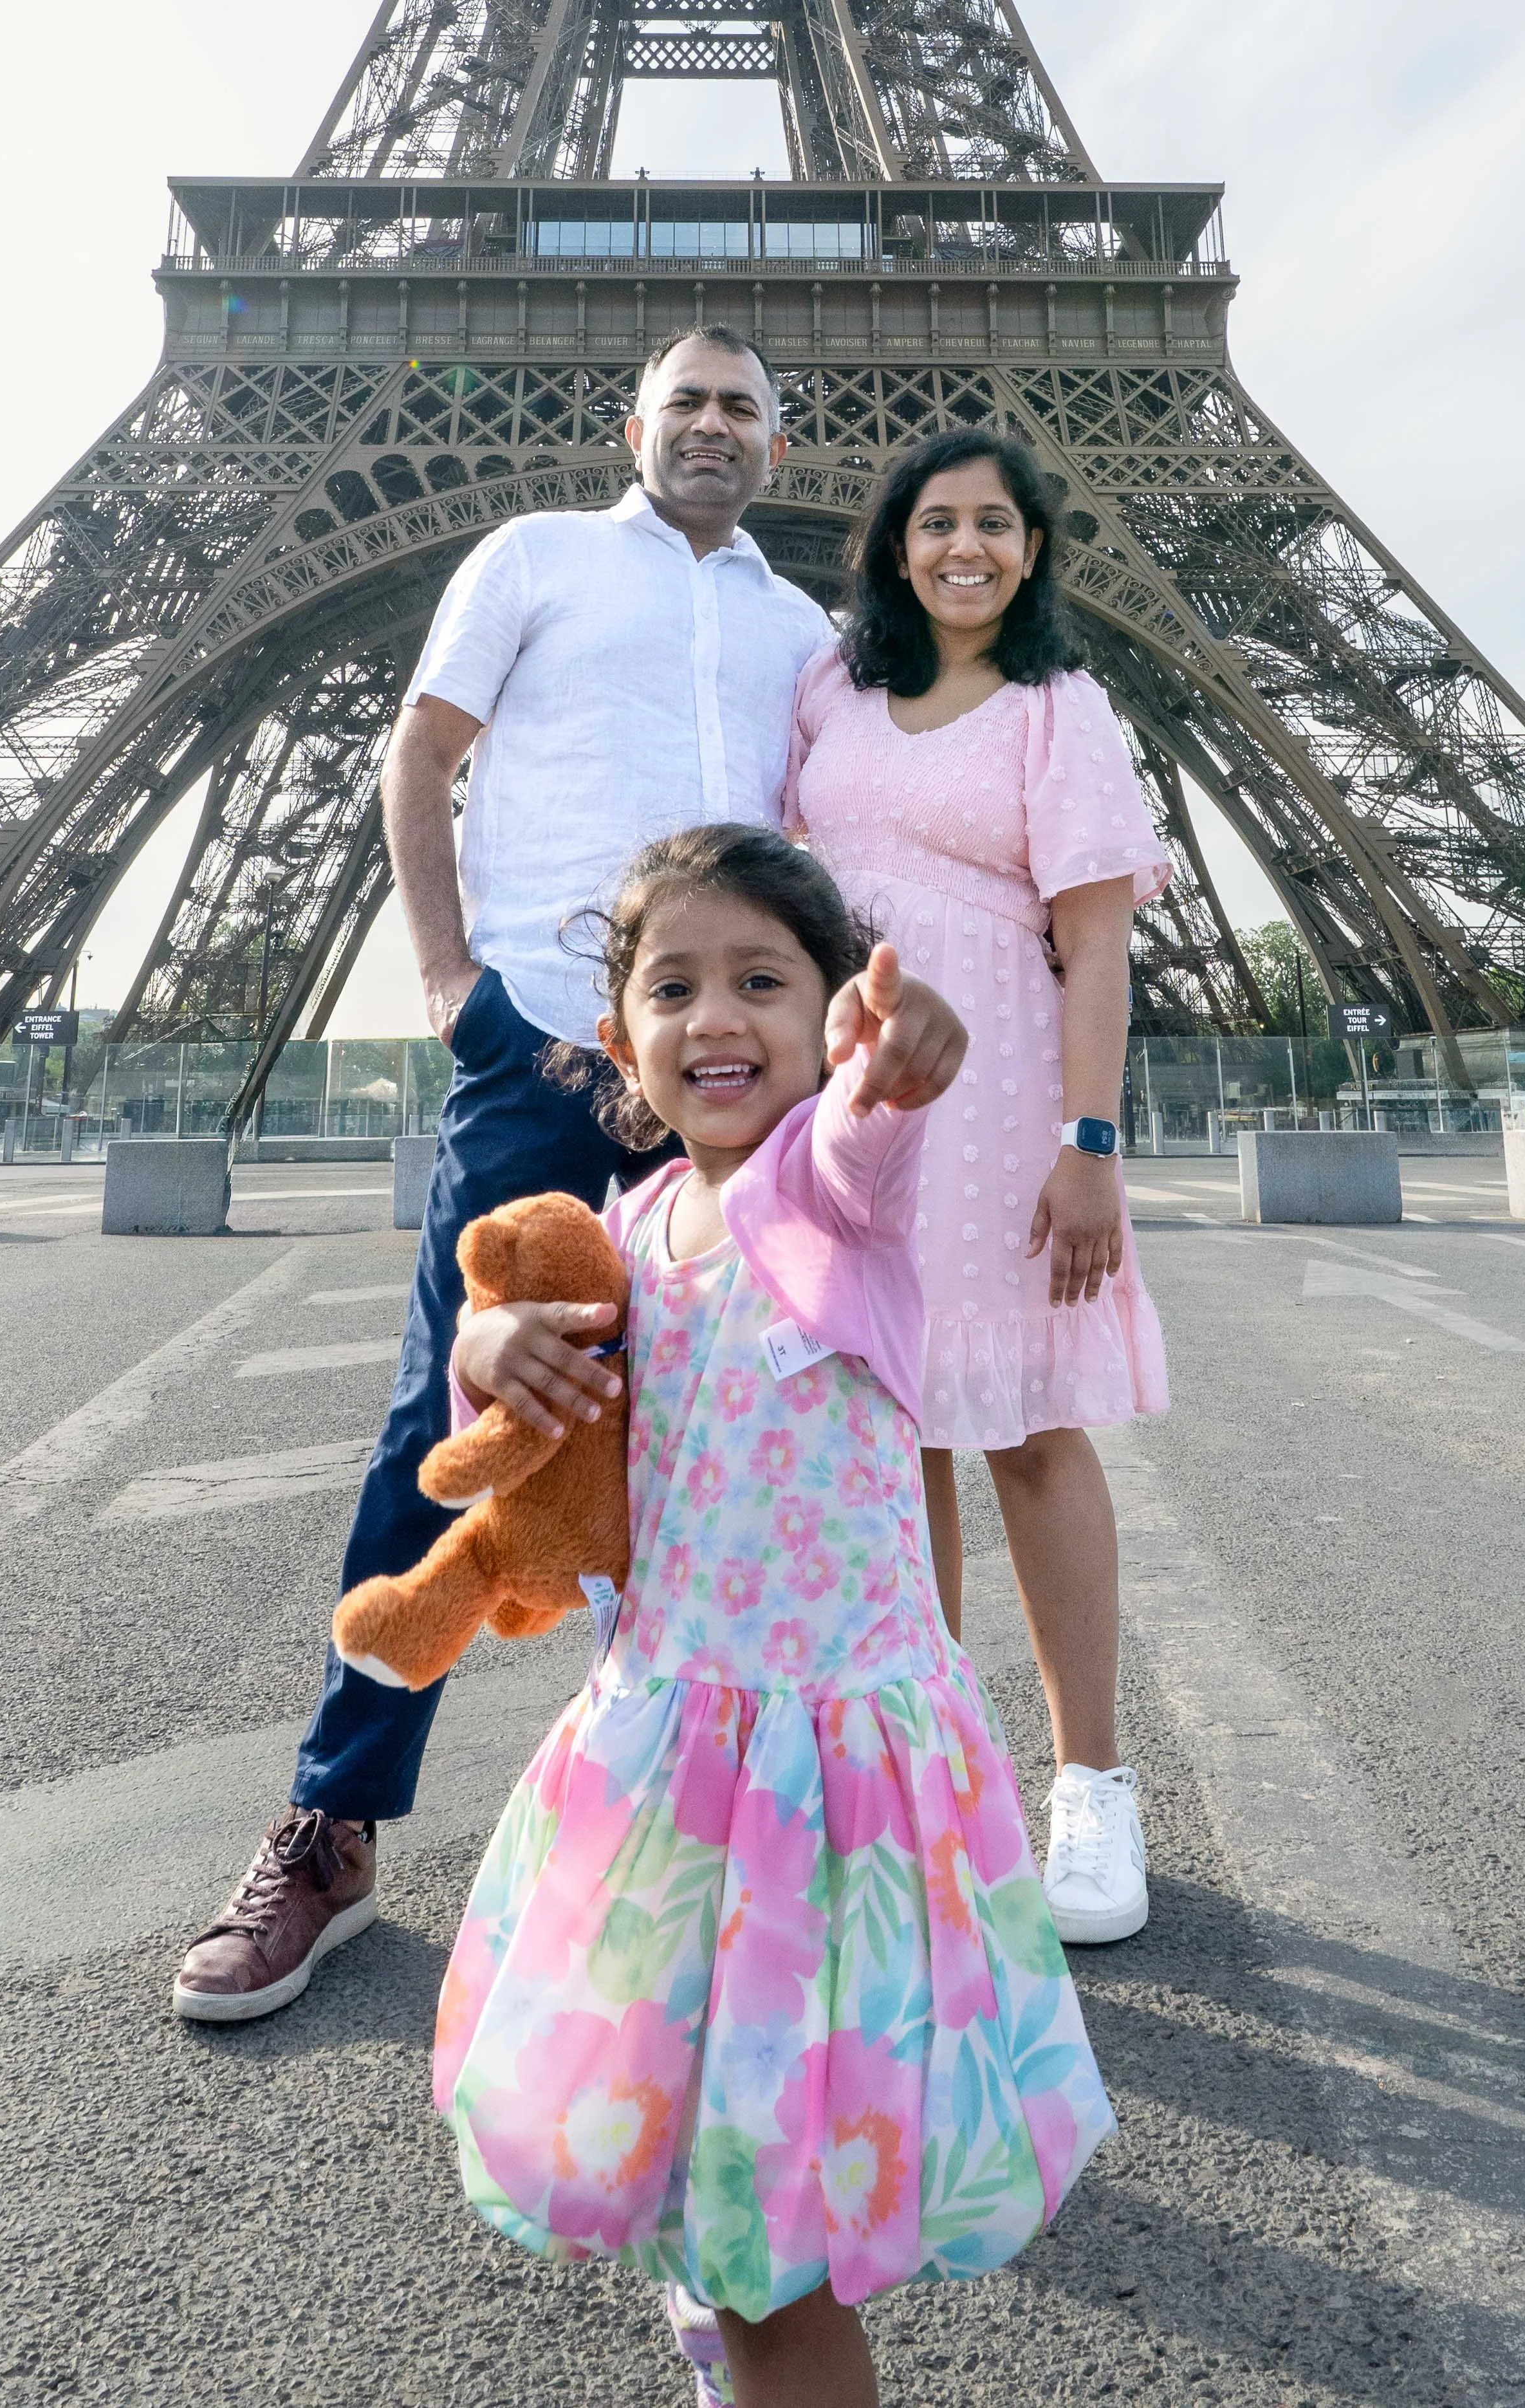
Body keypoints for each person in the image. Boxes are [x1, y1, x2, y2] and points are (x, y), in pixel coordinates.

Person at [172, 324, 936, 2024]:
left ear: (778, 445)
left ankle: (793, 1817)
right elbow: (420, 754)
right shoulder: (526, 555)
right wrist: (452, 986)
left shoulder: (796, 631)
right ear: (632, 422)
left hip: (729, 1064)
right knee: (446, 1417)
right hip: (540, 1041)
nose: (713, 427)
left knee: (761, 1415)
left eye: (742, 407)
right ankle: (335, 1816)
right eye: (688, 403)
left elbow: (837, 839)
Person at [433, 825, 1114, 2408]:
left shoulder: (830, 1192)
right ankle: (720, 2296)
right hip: (670, 1756)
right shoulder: (628, 1220)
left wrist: (902, 1061)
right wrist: (487, 1342)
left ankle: (748, 2328)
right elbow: (524, 1399)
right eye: (673, 986)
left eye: (763, 978)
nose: (717, 1015)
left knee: (770, 2237)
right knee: (693, 2109)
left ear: (827, 1019)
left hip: (819, 1790)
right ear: (619, 1042)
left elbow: (870, 1133)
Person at [783, 427, 1172, 1950]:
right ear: (891, 544)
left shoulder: (1056, 708)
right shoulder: (828, 687)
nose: (964, 546)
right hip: (850, 1098)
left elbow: (1096, 943)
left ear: (1027, 550)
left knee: (1026, 1433)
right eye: (935, 521)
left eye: (992, 525)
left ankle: (1088, 1782)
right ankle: (931, 1775)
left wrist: (1091, 1147)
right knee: (892, 1434)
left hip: (1002, 1102)